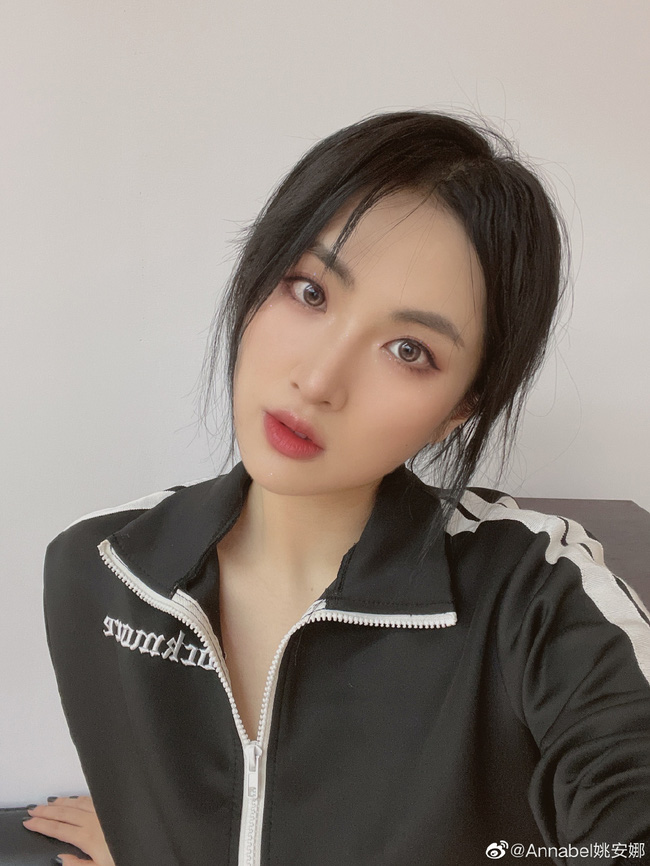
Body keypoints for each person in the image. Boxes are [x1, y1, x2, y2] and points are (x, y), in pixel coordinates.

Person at [27, 111, 650, 865]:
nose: (319, 379)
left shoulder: (535, 596)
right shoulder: (99, 571)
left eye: (408, 349)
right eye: (310, 292)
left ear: (460, 408)